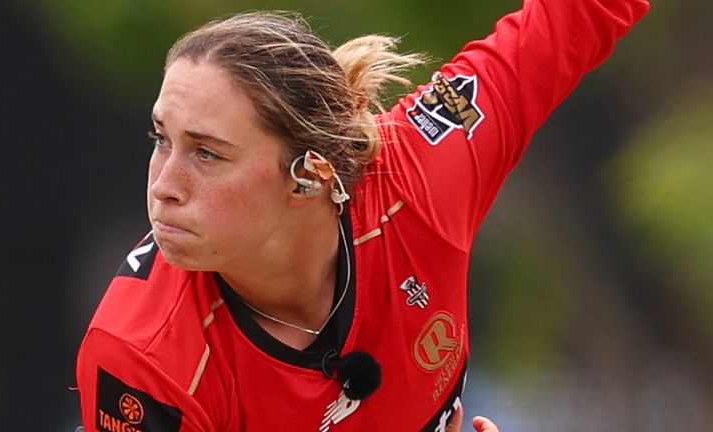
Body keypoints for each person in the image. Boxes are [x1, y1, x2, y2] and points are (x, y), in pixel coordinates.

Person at [74, 0, 650, 430]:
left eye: (207, 154)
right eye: (161, 139)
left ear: (311, 174)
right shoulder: (141, 354)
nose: (164, 186)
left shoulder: (423, 173)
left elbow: (578, 14)